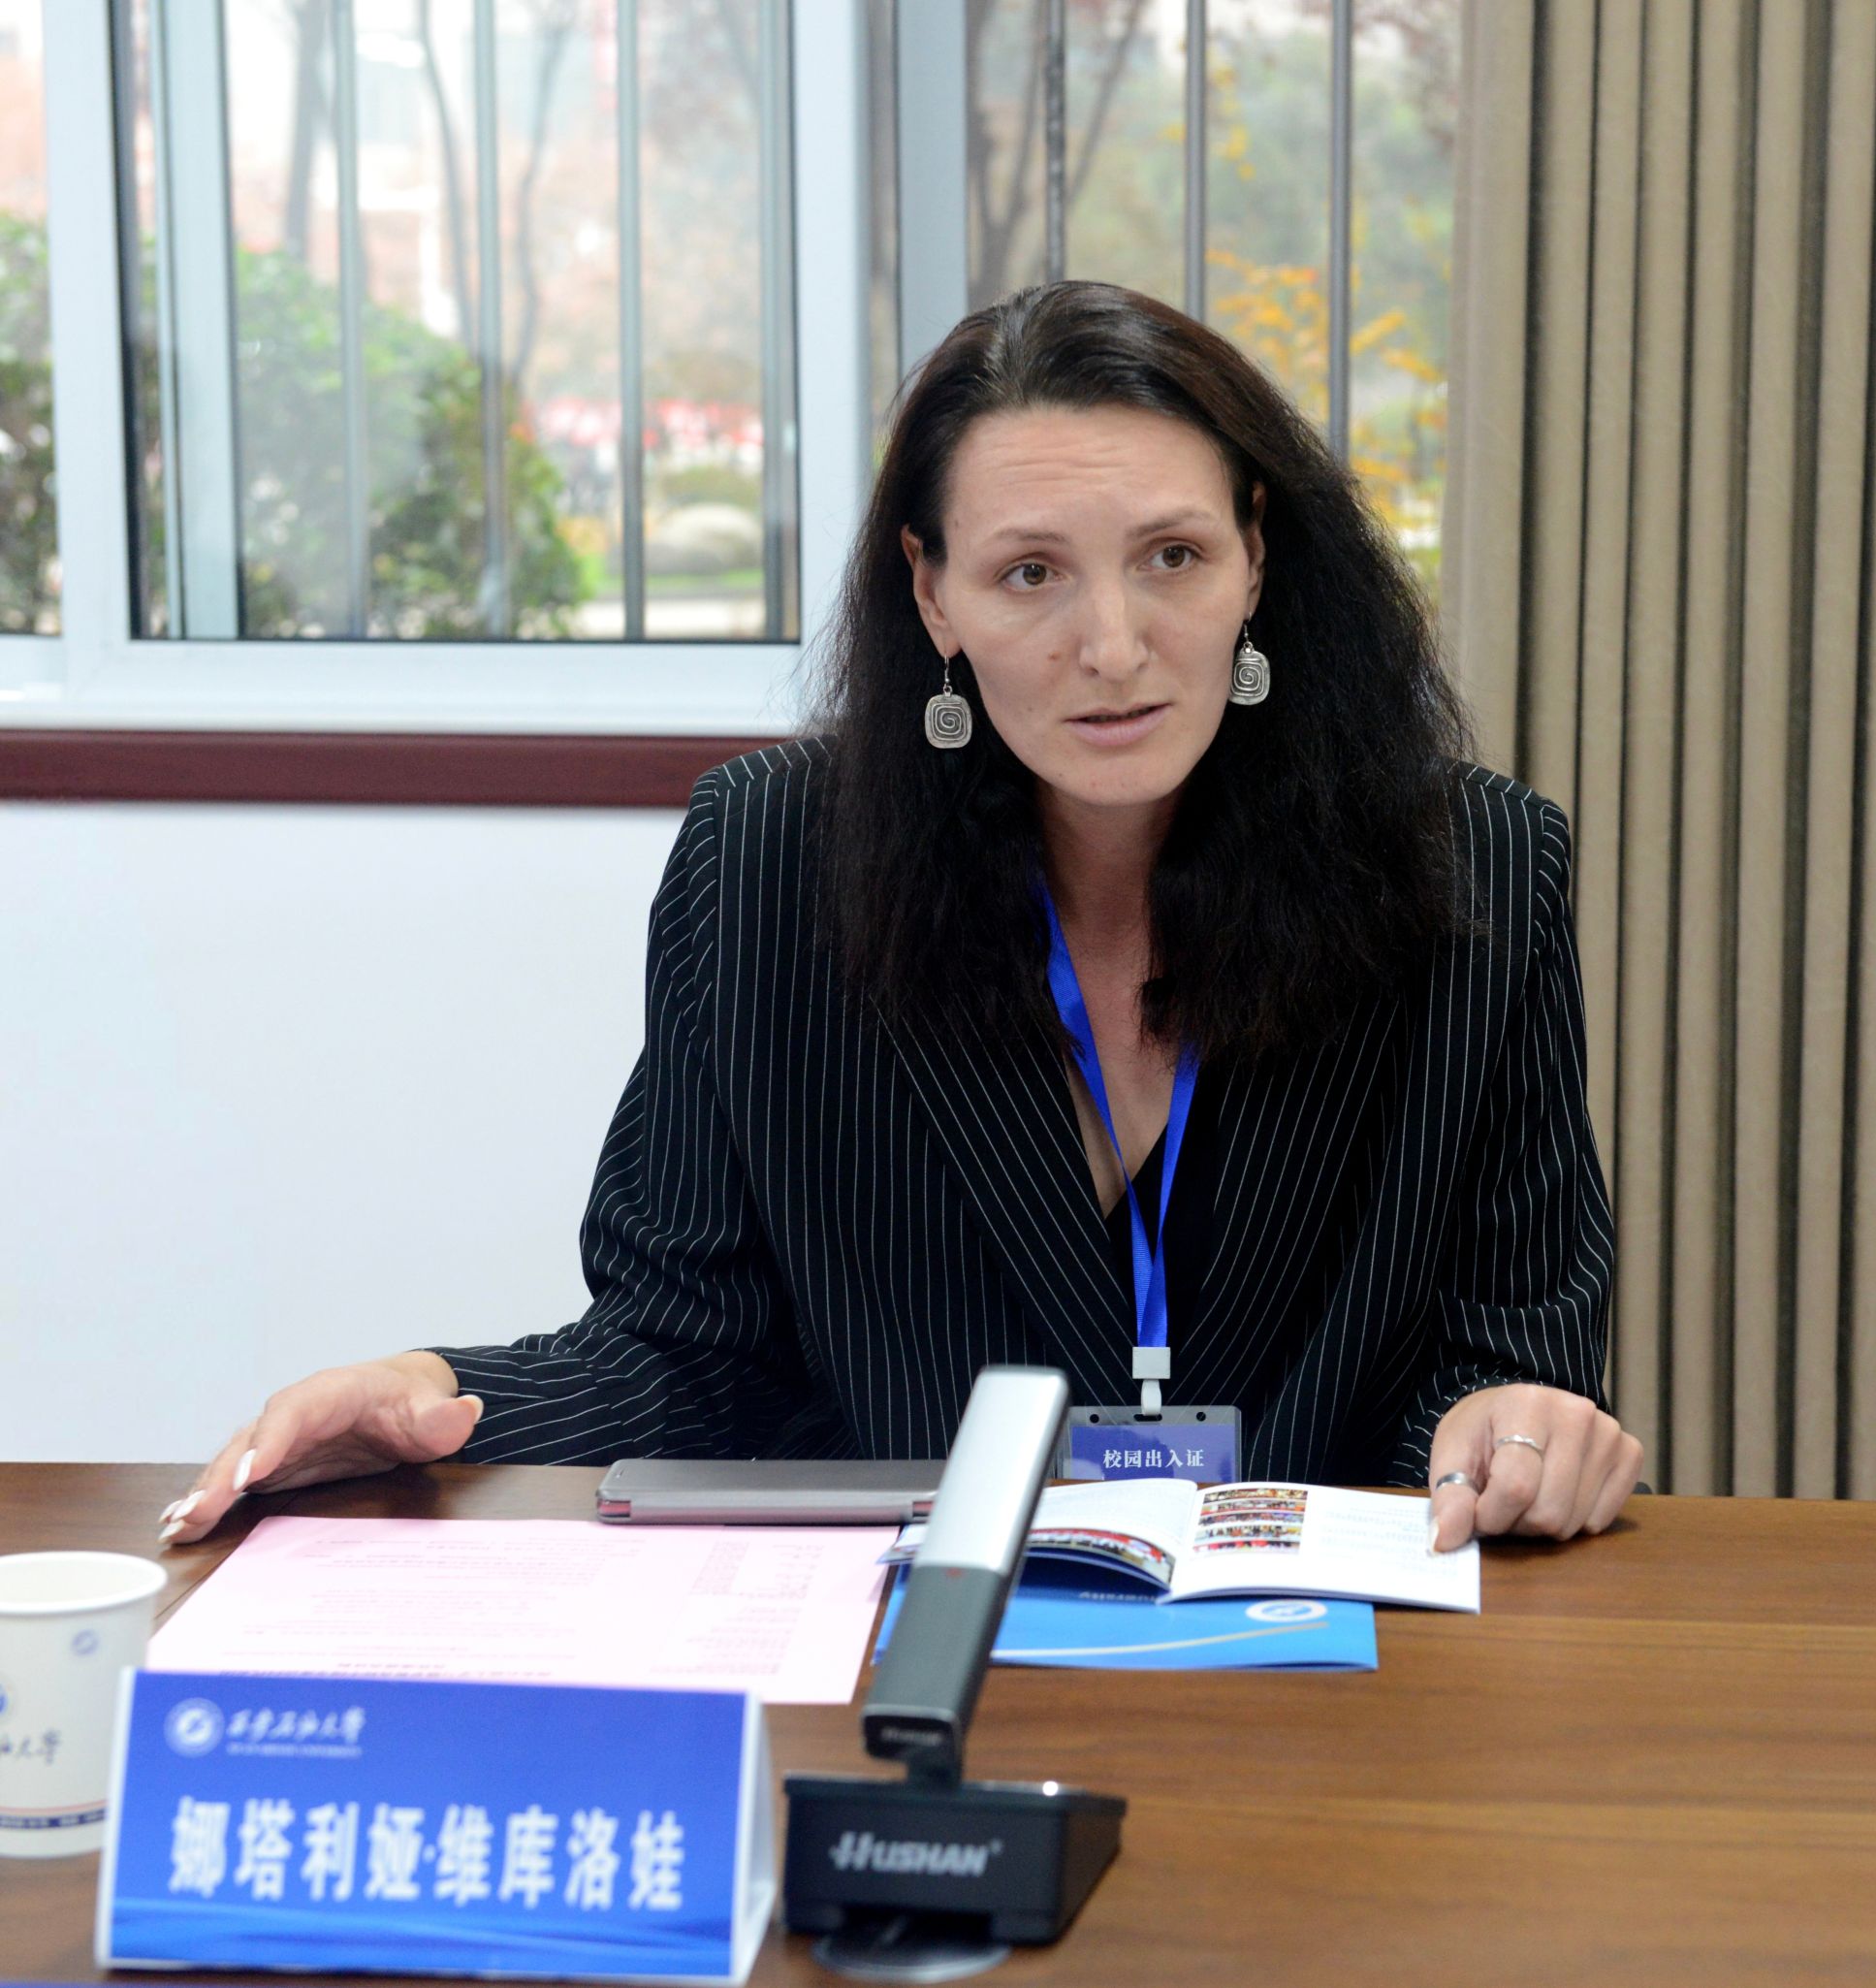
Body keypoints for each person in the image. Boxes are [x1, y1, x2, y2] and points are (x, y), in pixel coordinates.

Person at [162, 281, 1640, 1556]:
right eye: (1030, 573)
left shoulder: (1476, 873)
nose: (1112, 645)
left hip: (1328, 1657)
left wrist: (1516, 1424)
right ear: (933, 594)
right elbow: (688, 1356)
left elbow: (1506, 1353)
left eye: (1173, 557)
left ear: (1257, 554)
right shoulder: (770, 864)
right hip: (904, 1638)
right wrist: (430, 1393)